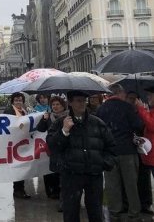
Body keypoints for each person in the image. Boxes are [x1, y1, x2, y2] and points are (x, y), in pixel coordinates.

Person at [47, 91, 116, 222]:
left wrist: (104, 163)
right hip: (71, 175)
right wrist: (64, 131)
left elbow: (111, 146)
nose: (82, 103)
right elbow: (52, 146)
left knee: (96, 212)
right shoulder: (60, 123)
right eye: (78, 100)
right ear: (70, 103)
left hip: (93, 175)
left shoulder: (97, 123)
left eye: (84, 100)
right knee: (71, 212)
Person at [96, 84, 144, 222]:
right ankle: (134, 213)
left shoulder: (101, 109)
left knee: (112, 185)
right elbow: (138, 125)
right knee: (131, 184)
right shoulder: (128, 107)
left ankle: (114, 212)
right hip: (127, 150)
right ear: (120, 93)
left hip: (110, 152)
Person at [36, 96, 68, 207]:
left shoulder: (68, 117)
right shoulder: (49, 117)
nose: (55, 107)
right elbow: (40, 129)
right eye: (53, 105)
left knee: (64, 175)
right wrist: (44, 119)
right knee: (54, 172)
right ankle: (55, 192)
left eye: (57, 104)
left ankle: (63, 199)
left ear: (63, 105)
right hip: (53, 149)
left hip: (66, 149)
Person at [3, 92, 31, 199]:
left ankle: (20, 188)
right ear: (12, 101)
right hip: (14, 143)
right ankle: (18, 190)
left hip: (22, 142)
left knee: (22, 166)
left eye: (20, 100)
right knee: (18, 167)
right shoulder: (9, 111)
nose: (18, 102)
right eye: (16, 100)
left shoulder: (24, 111)